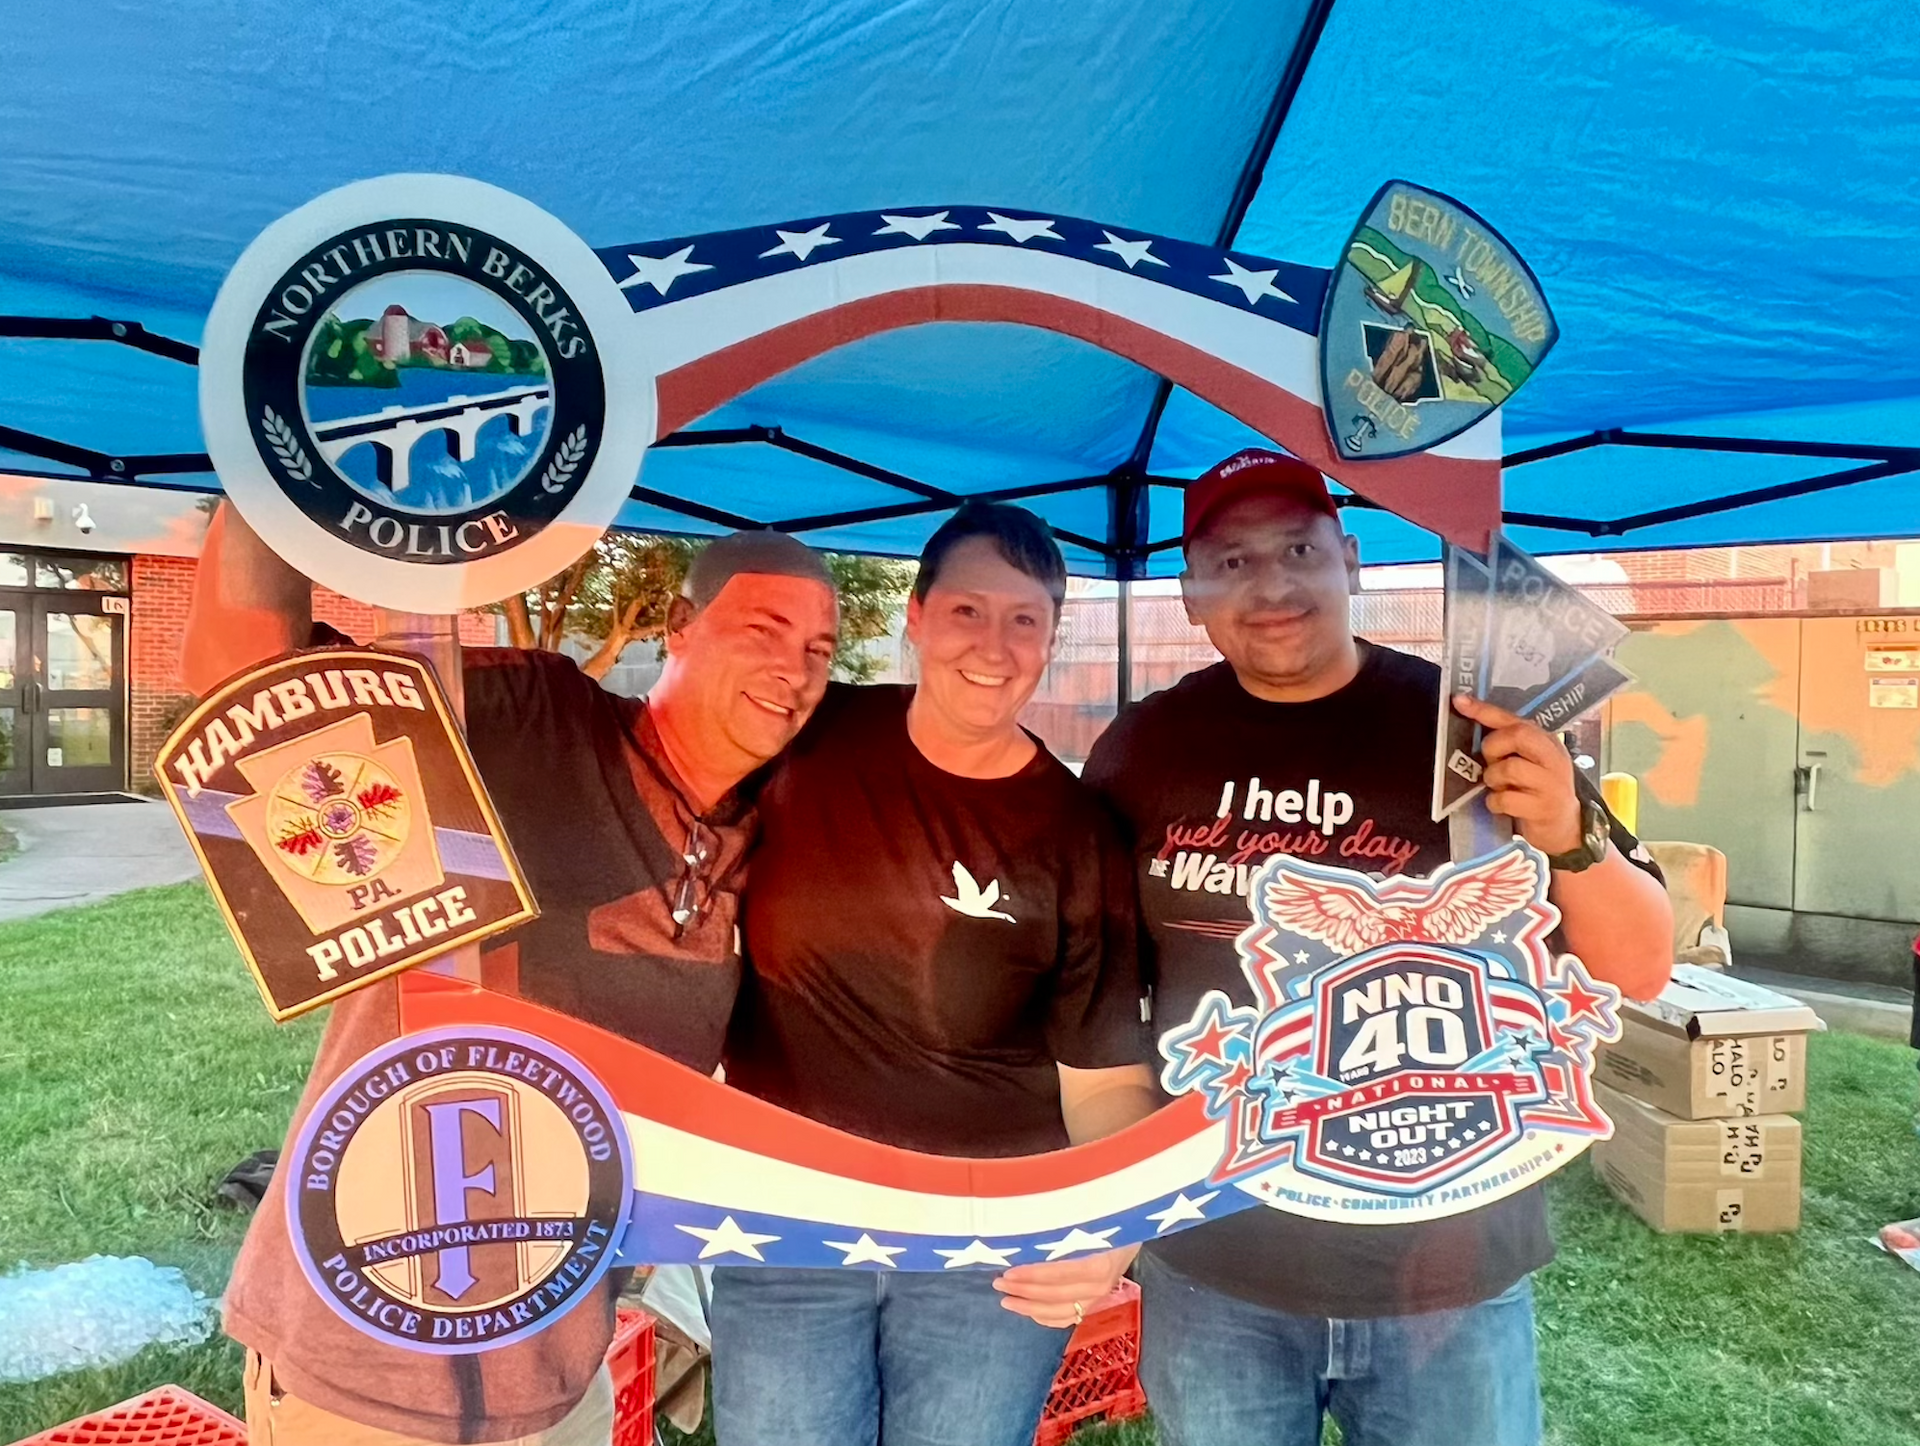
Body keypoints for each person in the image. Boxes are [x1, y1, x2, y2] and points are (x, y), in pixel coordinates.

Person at [181, 504, 840, 1446]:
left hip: (560, 1367)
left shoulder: (764, 836)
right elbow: (248, 686)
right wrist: (271, 479)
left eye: (821, 648)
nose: (796, 668)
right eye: (764, 630)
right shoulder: (535, 718)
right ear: (678, 630)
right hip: (367, 1352)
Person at [1082, 449, 1674, 1446]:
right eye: (1230, 561)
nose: (1269, 586)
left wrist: (1570, 835)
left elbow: (1641, 968)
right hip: (1215, 1264)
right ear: (1188, 593)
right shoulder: (1139, 750)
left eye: (1299, 550)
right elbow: (1091, 1003)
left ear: (1352, 560)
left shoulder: (1478, 725)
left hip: (1452, 1269)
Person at [710, 502, 1160, 1446]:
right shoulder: (806, 738)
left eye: (1024, 619)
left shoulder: (1075, 835)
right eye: (967, 611)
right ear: (914, 614)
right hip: (788, 1221)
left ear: (1049, 638)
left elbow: (1107, 1079)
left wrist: (1113, 1229)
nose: (994, 645)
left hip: (989, 1240)